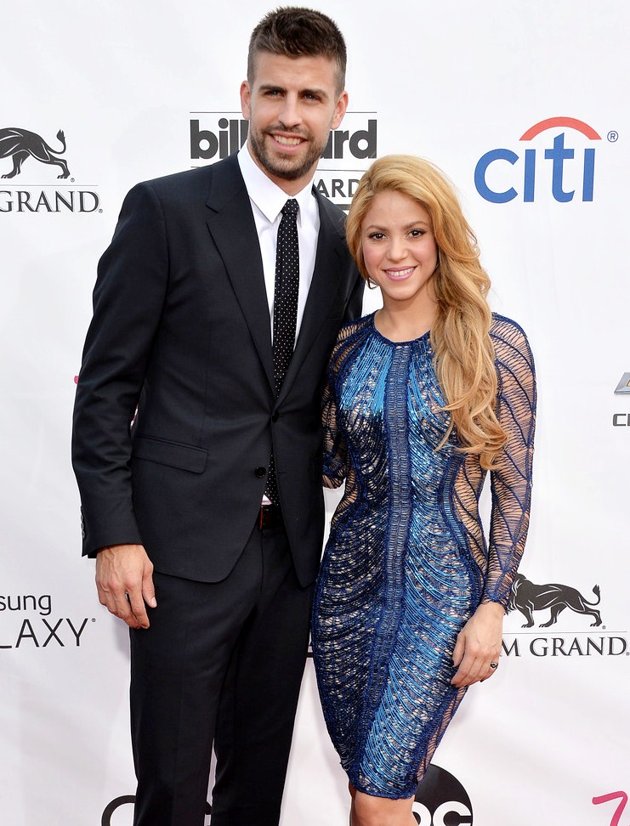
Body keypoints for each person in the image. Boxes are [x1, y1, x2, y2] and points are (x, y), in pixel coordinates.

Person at [71, 8, 363, 826]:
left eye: (310, 96)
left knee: (255, 788)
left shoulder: (347, 241)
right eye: (273, 92)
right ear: (245, 95)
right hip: (177, 556)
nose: (289, 115)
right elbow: (104, 388)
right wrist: (114, 533)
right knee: (169, 787)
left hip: (290, 557)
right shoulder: (163, 211)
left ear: (340, 109)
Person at [311, 155, 536, 826]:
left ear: (441, 236)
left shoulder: (497, 345)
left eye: (415, 231)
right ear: (359, 248)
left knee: (380, 796)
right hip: (346, 596)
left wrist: (493, 606)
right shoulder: (345, 348)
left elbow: (515, 489)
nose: (397, 251)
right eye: (378, 236)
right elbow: (324, 468)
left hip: (443, 601)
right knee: (368, 797)